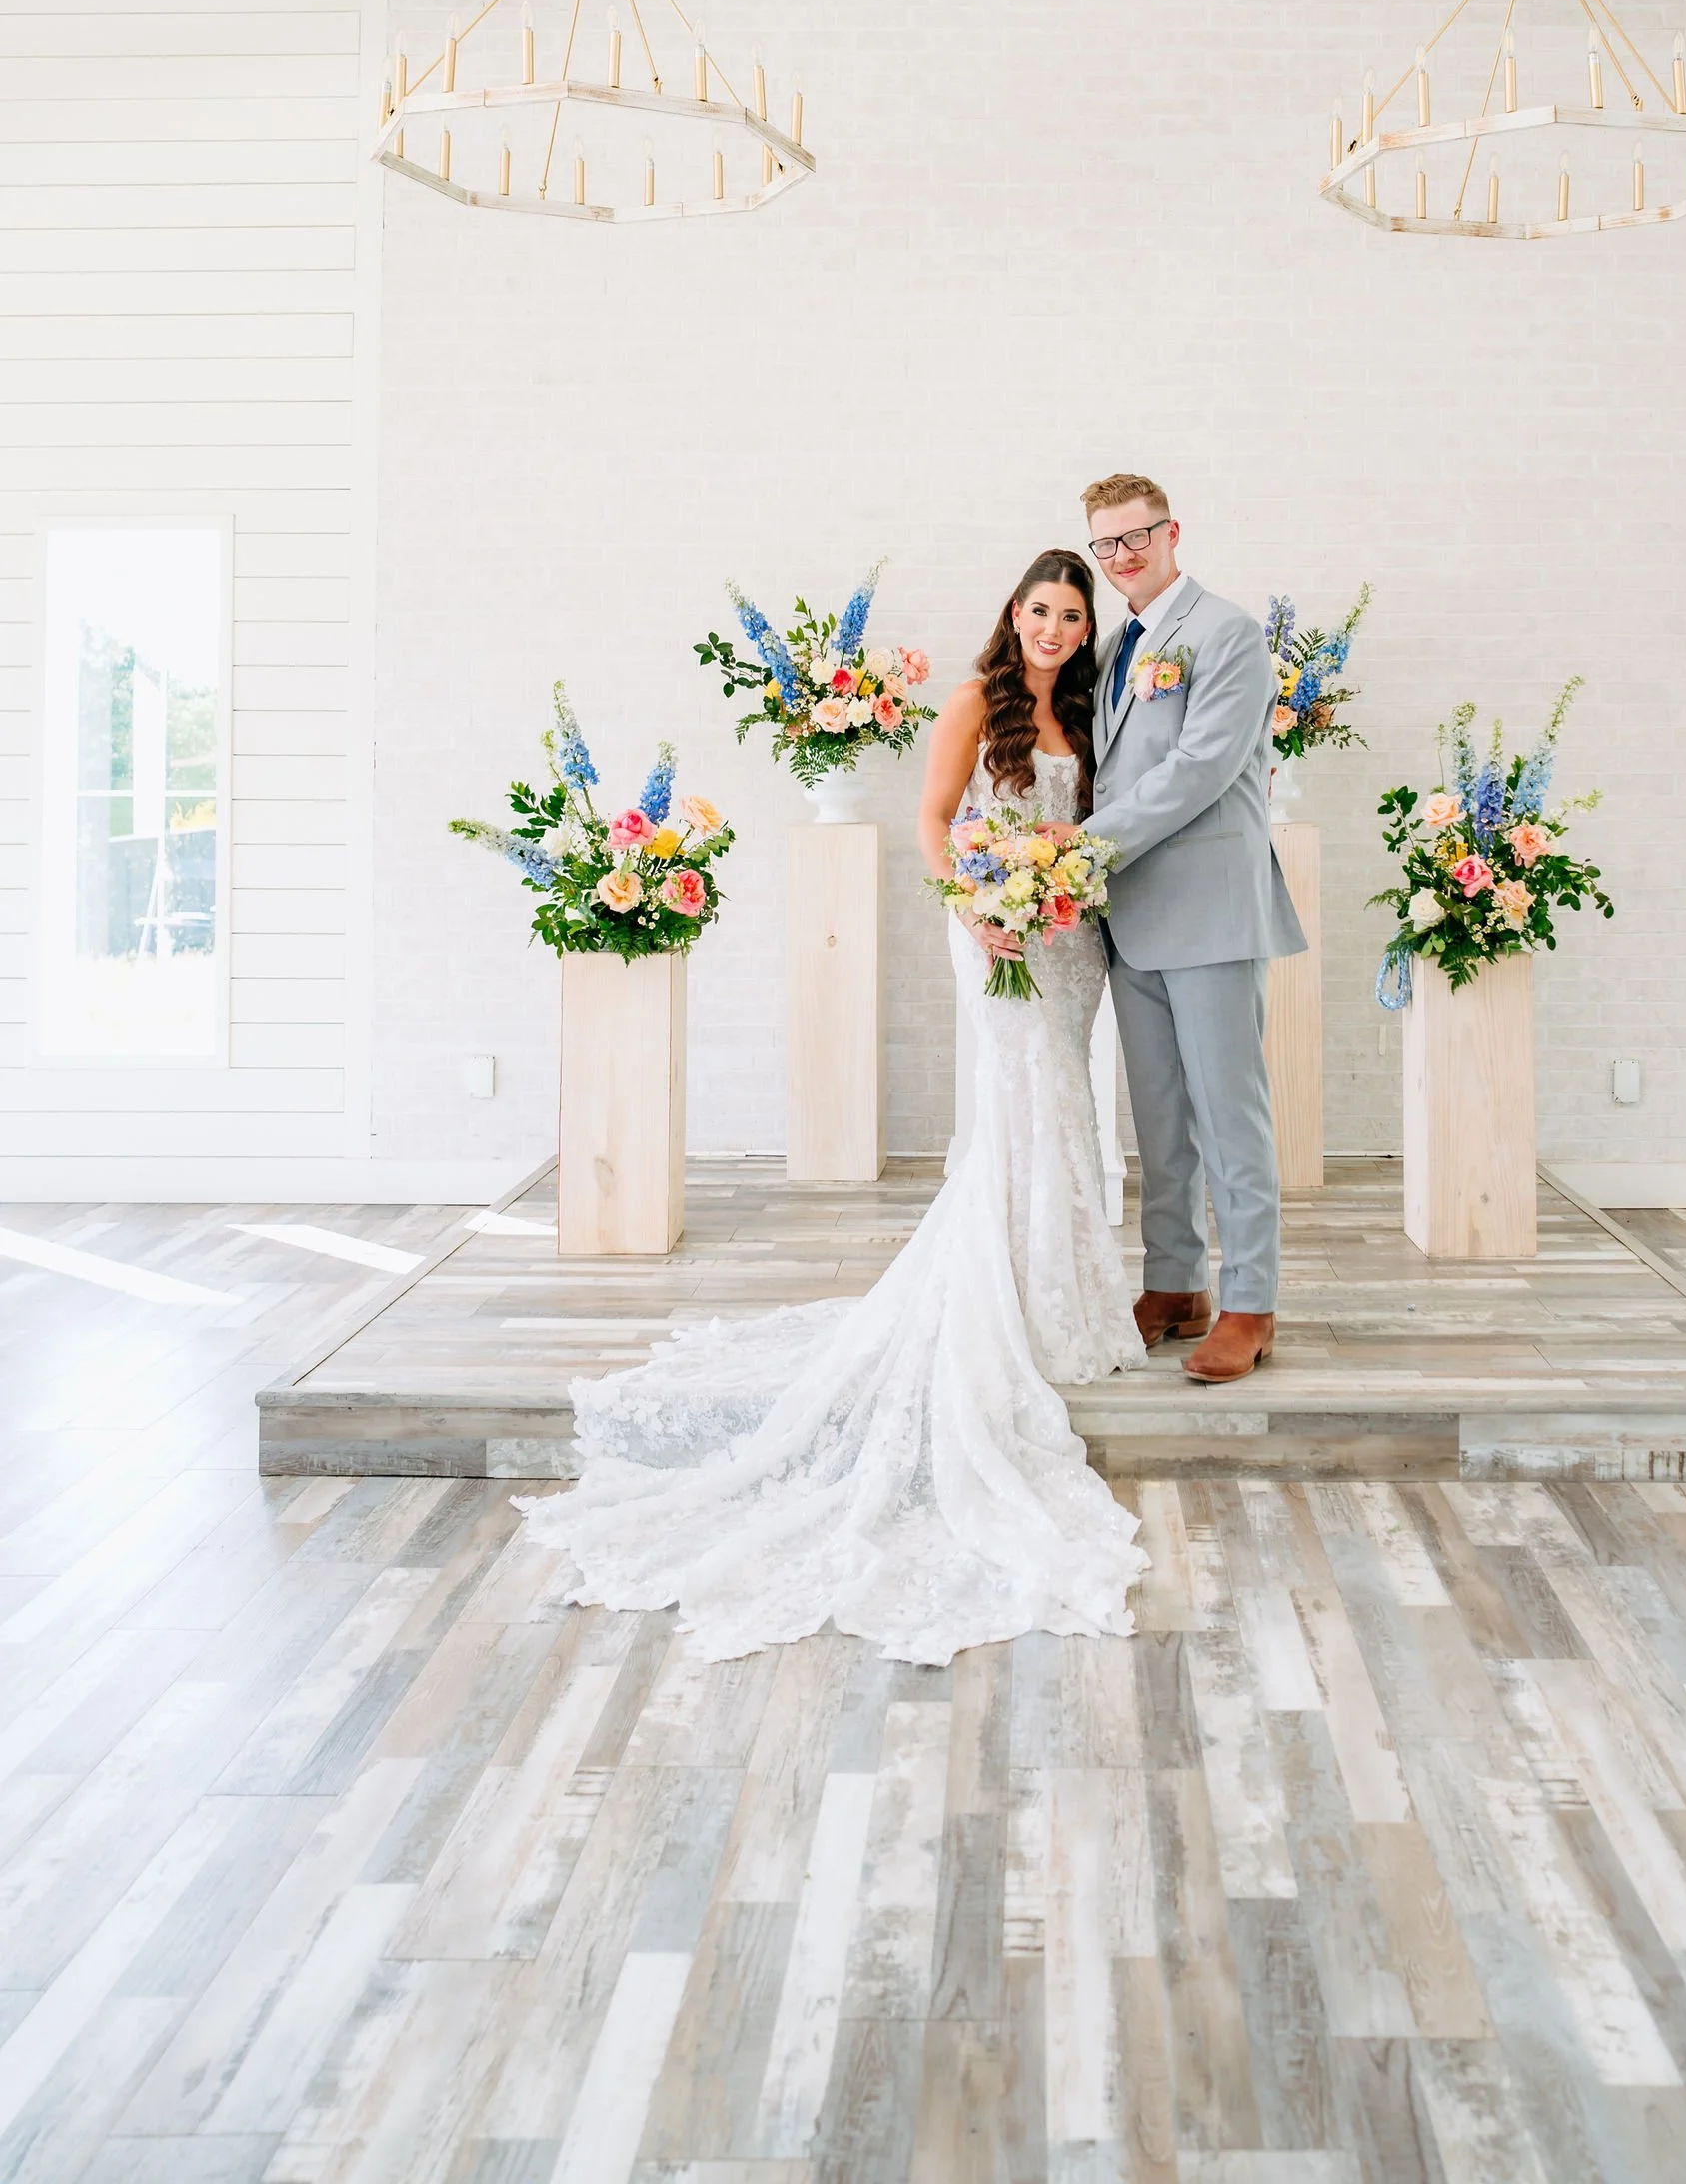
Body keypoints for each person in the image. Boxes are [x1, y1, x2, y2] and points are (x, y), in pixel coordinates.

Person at [520, 549, 1147, 1665]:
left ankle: (1063, 1298)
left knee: (1065, 1111)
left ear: (1084, 626)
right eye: (1039, 609)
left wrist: (1056, 892)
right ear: (1013, 612)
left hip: (1070, 943)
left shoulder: (1088, 715)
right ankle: (1009, 1304)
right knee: (1021, 1103)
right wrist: (977, 909)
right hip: (996, 933)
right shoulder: (977, 699)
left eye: (1070, 613)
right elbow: (933, 818)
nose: (1053, 627)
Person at [1083, 473, 1305, 1384]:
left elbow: (1201, 766)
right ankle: (1175, 1285)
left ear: (1172, 530)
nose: (1123, 555)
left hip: (1211, 912)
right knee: (1163, 1121)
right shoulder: (1113, 650)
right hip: (1131, 915)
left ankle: (1251, 1303)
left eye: (1137, 536)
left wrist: (1080, 844)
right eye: (1107, 544)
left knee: (1230, 1118)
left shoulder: (1226, 632)